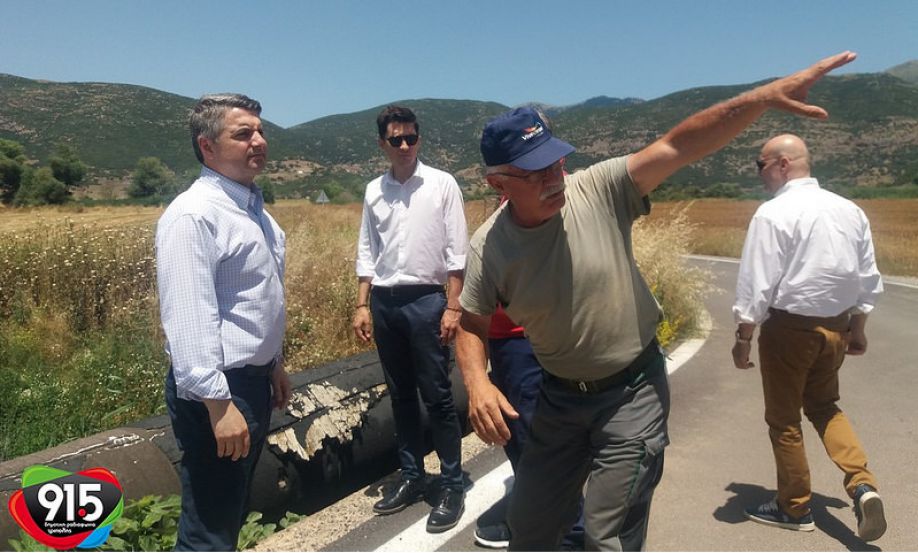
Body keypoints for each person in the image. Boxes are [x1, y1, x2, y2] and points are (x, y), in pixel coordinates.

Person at [456, 51, 858, 551]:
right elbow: (470, 322)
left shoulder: (598, 189)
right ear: (497, 184)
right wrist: (477, 383)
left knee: (606, 535)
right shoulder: (490, 247)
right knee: (529, 532)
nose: (555, 178)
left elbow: (677, 144)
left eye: (556, 163)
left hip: (632, 391)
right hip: (559, 399)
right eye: (536, 173)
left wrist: (760, 99)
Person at [732, 134, 886, 541]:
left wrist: (744, 337)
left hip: (788, 331)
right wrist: (858, 328)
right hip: (836, 328)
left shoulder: (772, 213)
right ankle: (862, 484)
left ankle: (794, 507)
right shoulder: (850, 210)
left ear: (783, 164)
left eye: (760, 165)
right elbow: (867, 276)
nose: (759, 173)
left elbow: (756, 284)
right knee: (825, 406)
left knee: (784, 419)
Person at [156, 93, 292, 551]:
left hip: (251, 383)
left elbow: (254, 301)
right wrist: (218, 405)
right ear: (207, 146)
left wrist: (273, 364)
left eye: (260, 131)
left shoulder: (255, 213)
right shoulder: (194, 215)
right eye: (243, 133)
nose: (259, 141)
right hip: (219, 391)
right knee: (209, 529)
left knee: (228, 511)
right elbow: (189, 316)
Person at [352, 105, 468, 533]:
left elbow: (457, 252)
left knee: (437, 396)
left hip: (426, 302)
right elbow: (367, 250)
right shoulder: (374, 191)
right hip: (385, 302)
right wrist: (362, 304)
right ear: (382, 144)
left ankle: (452, 485)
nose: (405, 146)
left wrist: (453, 307)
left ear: (419, 139)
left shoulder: (442, 184)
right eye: (396, 139)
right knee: (399, 395)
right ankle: (413, 476)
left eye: (411, 138)